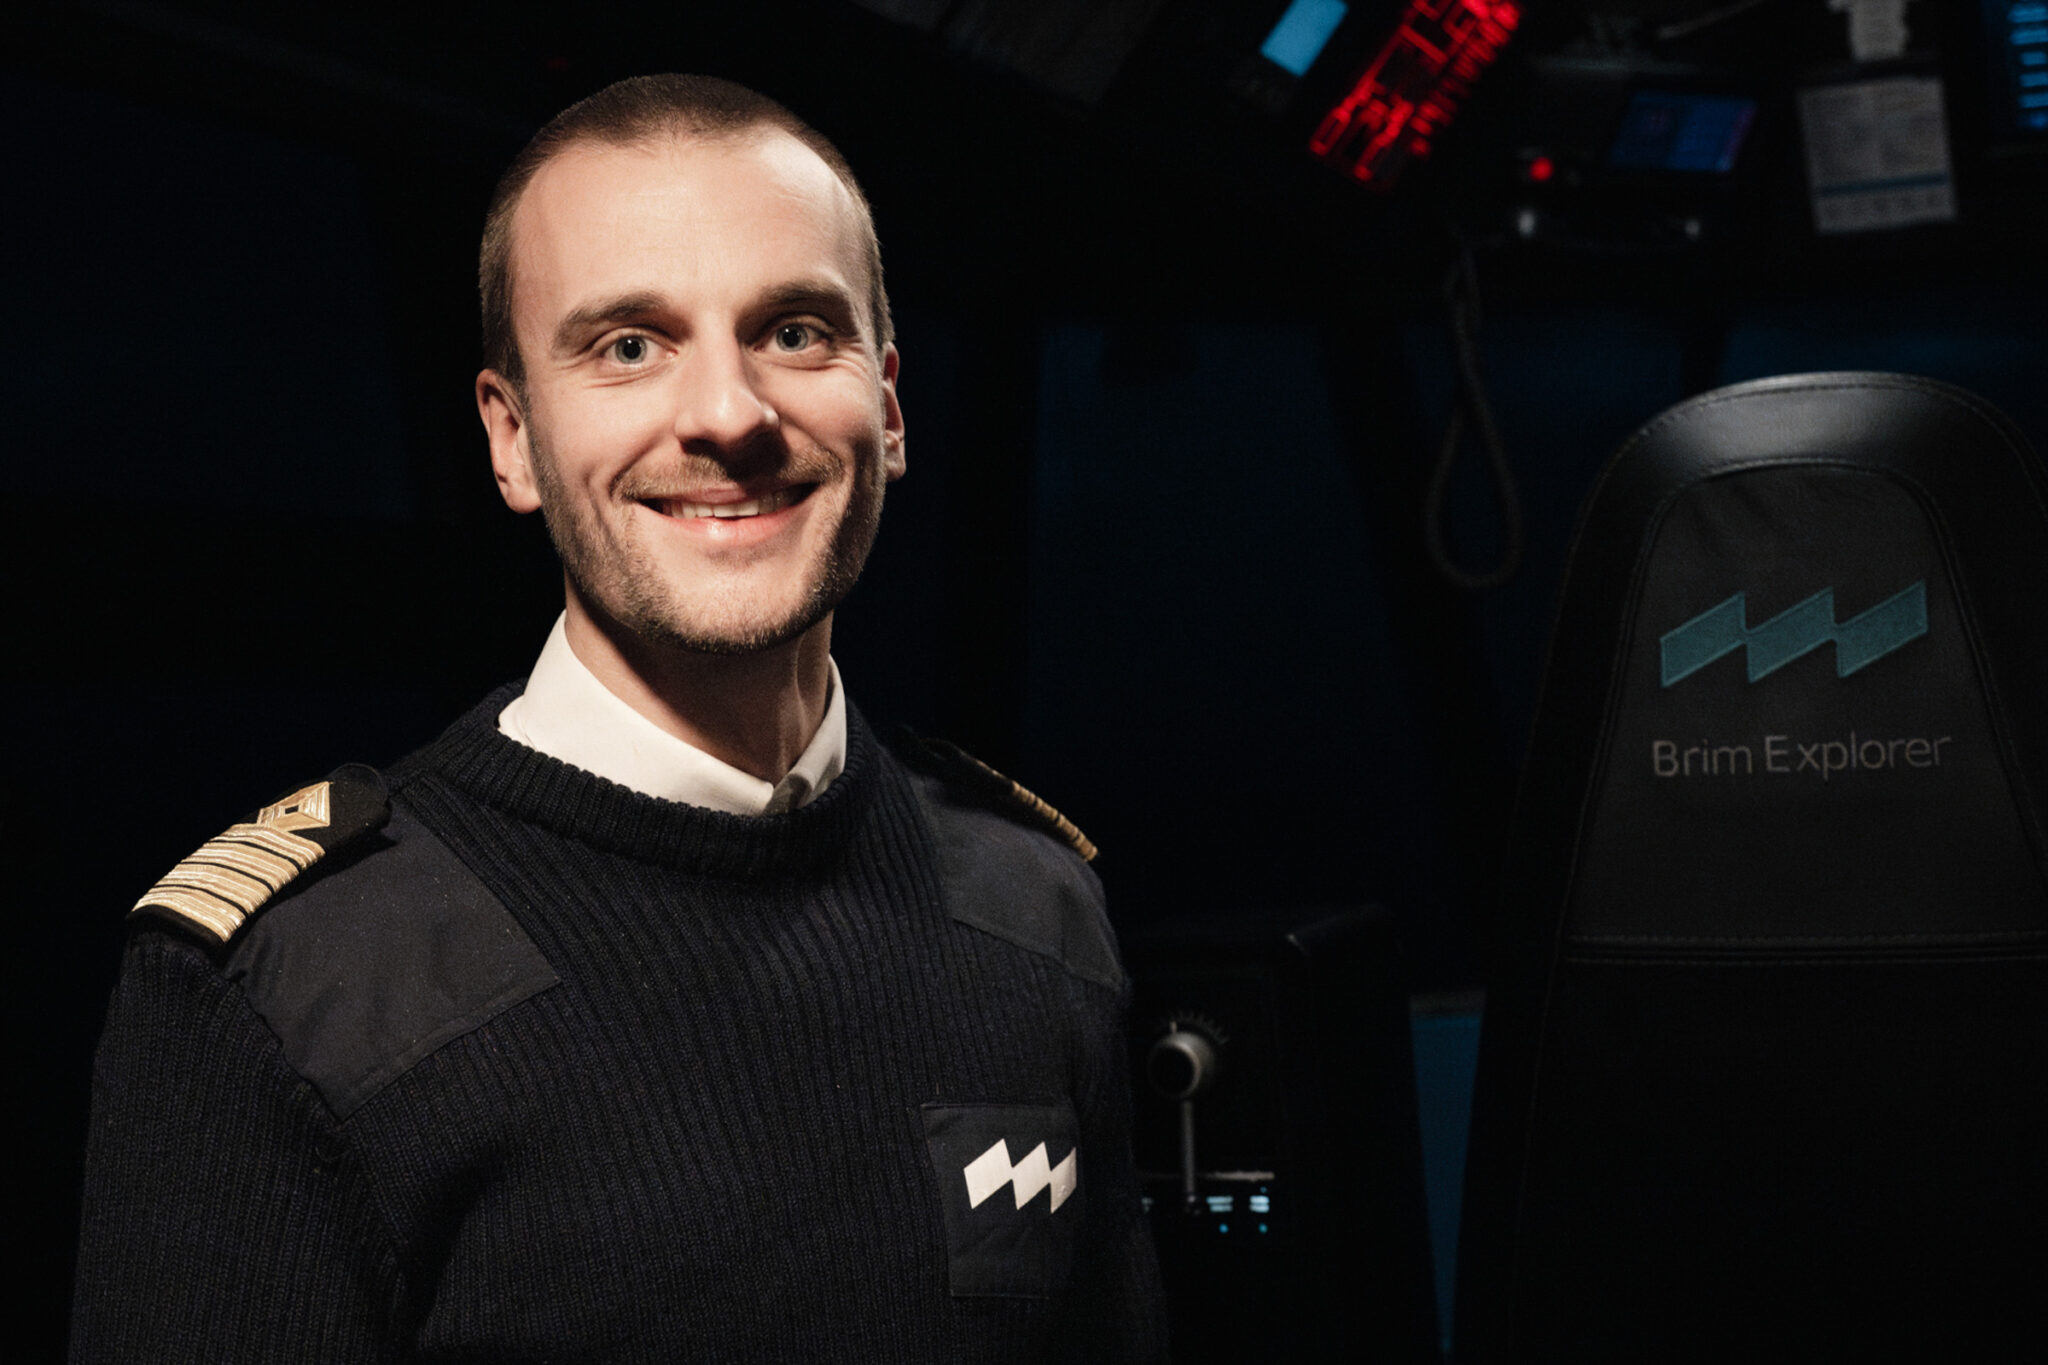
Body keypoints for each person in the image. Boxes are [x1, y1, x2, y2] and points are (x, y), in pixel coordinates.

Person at [72, 74, 1166, 1362]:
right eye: (629, 347)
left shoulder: (1035, 904)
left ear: (888, 404)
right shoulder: (298, 989)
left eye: (797, 332)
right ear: (514, 440)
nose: (726, 414)